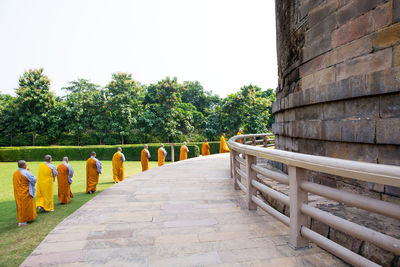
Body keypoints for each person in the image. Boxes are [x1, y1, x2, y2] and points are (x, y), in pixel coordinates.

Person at [13, 160, 37, 226]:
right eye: (25, 164)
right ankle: (24, 220)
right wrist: (29, 172)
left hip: (18, 193)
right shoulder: (25, 172)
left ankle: (21, 220)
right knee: (26, 206)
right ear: (24, 165)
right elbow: (34, 179)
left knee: (20, 206)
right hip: (25, 192)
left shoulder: (15, 173)